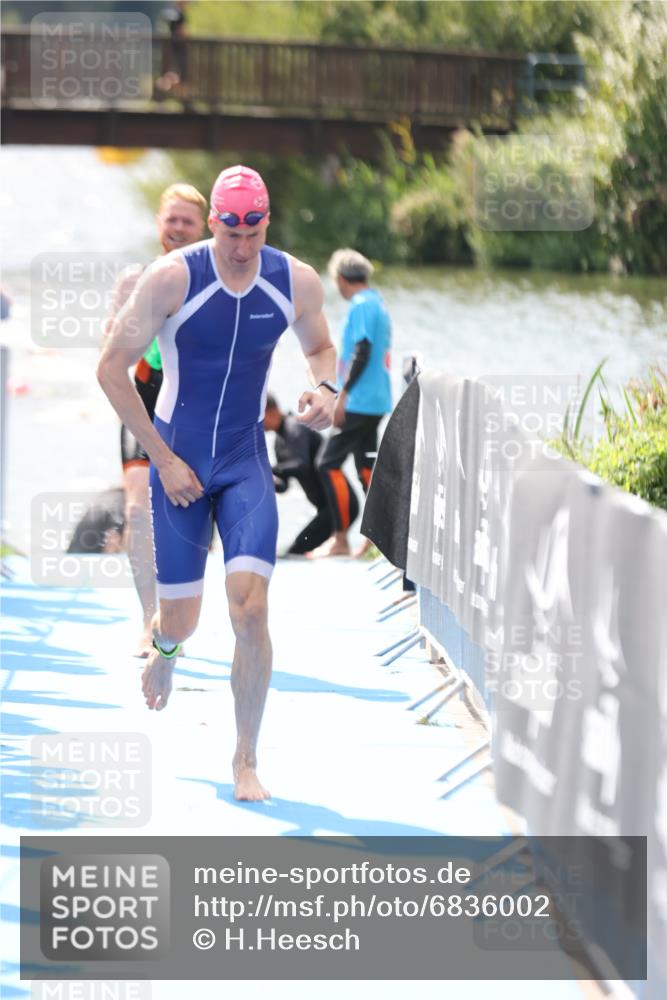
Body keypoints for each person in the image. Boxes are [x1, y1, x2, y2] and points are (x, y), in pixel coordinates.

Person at [97, 164, 337, 801]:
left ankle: (245, 759)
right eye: (229, 231)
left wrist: (325, 388)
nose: (240, 247)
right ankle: (167, 653)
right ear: (212, 224)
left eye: (252, 232)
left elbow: (320, 347)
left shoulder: (295, 280)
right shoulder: (173, 277)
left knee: (251, 611)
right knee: (179, 620)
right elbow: (111, 369)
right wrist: (162, 460)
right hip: (178, 463)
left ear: (265, 223)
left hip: (243, 461)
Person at [107, 183, 207, 656]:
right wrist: (128, 303)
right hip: (146, 403)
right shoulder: (137, 276)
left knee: (187, 517)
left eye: (188, 220)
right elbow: (112, 353)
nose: (179, 228)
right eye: (172, 219)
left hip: (196, 410)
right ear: (159, 225)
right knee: (136, 512)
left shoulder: (216, 279)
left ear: (204, 226)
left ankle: (178, 617)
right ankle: (150, 620)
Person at [309, 248, 392, 558]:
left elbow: (363, 351)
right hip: (376, 399)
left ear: (341, 280)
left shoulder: (361, 306)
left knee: (327, 463)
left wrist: (342, 396)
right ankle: (377, 536)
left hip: (359, 401)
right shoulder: (377, 303)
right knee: (366, 466)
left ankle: (340, 538)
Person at [264, 393, 358, 555]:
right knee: (296, 549)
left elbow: (302, 465)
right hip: (325, 510)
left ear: (270, 412)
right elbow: (283, 485)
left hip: (342, 506)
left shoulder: (295, 427)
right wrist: (265, 479)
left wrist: (269, 470)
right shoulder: (279, 441)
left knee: (295, 551)